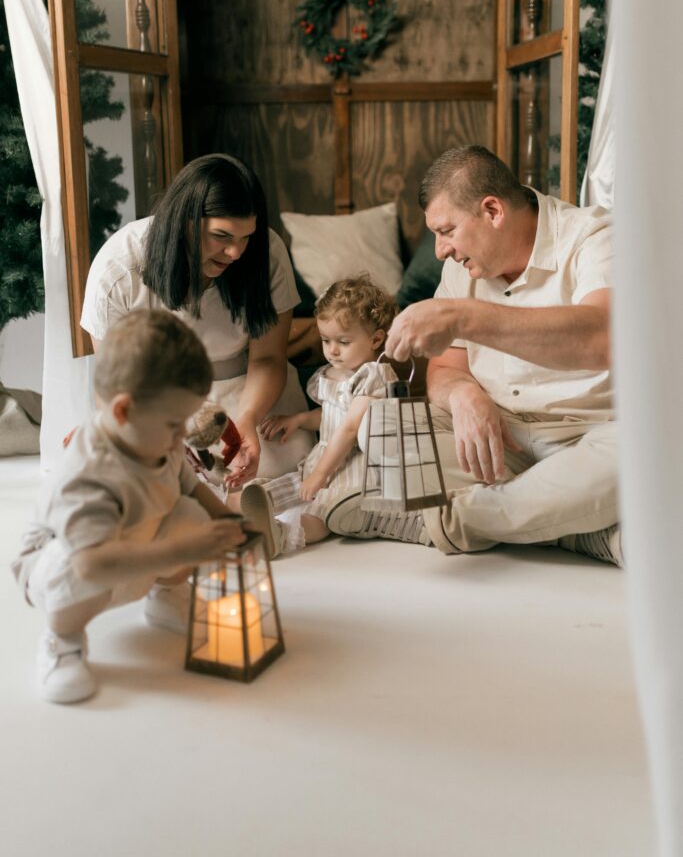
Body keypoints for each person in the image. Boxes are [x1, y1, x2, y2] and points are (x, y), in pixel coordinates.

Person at [324, 145, 622, 567]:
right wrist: (465, 395)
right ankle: (575, 526)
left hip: (592, 438)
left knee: (647, 459)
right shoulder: (462, 266)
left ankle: (456, 521)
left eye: (446, 230)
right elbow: (446, 368)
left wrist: (462, 316)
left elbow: (603, 338)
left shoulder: (597, 237)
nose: (441, 249)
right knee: (377, 425)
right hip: (500, 441)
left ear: (493, 211)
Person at [11, 310, 246, 704]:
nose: (182, 436)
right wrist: (182, 551)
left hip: (133, 548)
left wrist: (229, 521)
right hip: (71, 563)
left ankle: (165, 596)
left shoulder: (159, 441)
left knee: (191, 515)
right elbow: (91, 564)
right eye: (175, 423)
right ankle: (62, 641)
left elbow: (190, 487)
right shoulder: (87, 475)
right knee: (70, 565)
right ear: (123, 412)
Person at [80, 153, 315, 487]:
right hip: (156, 400)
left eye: (245, 237)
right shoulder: (118, 268)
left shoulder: (266, 252)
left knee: (291, 464)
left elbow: (267, 358)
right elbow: (116, 381)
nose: (235, 253)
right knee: (143, 482)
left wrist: (247, 419)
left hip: (249, 389)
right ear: (184, 221)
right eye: (222, 236)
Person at [239, 274, 398, 558]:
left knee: (322, 510)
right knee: (295, 484)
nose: (332, 350)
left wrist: (322, 474)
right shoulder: (330, 374)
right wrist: (300, 420)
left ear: (376, 339)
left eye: (343, 341)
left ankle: (282, 536)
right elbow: (331, 416)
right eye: (326, 340)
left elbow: (349, 429)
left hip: (352, 463)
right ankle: (255, 508)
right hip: (324, 455)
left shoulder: (374, 376)